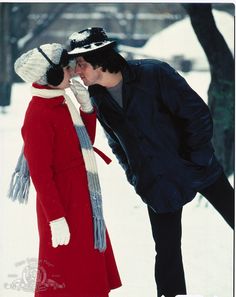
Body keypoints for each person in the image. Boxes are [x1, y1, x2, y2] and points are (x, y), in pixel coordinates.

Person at [66, 27, 234, 297]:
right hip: (156, 182)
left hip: (198, 169)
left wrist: (196, 160)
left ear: (99, 59)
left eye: (81, 63)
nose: (77, 70)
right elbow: (115, 142)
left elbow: (197, 115)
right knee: (166, 249)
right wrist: (134, 174)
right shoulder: (98, 96)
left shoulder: (154, 74)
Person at [9, 43, 122, 297]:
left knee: (87, 266)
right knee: (65, 272)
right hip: (62, 204)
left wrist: (86, 109)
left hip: (83, 198)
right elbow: (40, 174)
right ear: (51, 76)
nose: (71, 72)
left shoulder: (62, 102)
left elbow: (85, 144)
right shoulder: (38, 114)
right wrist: (56, 218)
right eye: (64, 68)